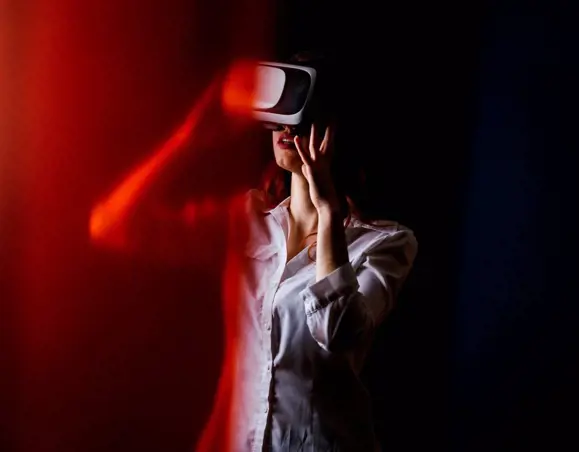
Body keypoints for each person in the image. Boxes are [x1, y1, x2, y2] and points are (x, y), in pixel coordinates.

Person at [89, 51, 417, 452]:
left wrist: (329, 212)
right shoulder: (247, 221)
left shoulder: (385, 243)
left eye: (304, 103)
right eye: (282, 104)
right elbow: (113, 225)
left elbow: (339, 335)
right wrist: (189, 138)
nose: (286, 122)